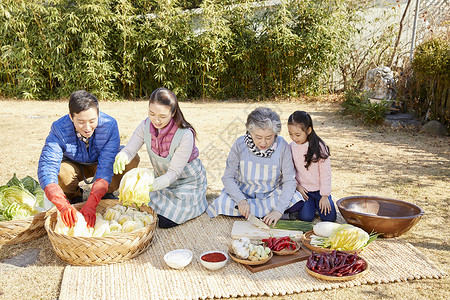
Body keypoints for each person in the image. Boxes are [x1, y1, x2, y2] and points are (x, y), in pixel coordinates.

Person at [38, 90, 139, 228]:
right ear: (71, 117)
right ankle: (73, 195)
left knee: (130, 159)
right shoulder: (59, 128)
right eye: (80, 122)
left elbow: (107, 163)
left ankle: (105, 194)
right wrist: (61, 204)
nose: (87, 128)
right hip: (75, 166)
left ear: (98, 114)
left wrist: (92, 202)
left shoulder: (109, 125)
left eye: (92, 121)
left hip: (100, 164)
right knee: (61, 172)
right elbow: (47, 165)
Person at [113, 87, 207, 228]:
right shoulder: (145, 126)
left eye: (162, 116)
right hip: (161, 181)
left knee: (164, 221)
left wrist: (153, 186)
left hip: (186, 183)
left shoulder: (185, 134)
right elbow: (130, 149)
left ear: (173, 112)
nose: (156, 120)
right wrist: (122, 156)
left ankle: (194, 204)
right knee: (137, 207)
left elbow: (174, 173)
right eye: (152, 114)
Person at [206, 107, 304, 227]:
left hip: (272, 195)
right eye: (258, 137)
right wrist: (241, 201)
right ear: (249, 132)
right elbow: (227, 177)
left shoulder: (282, 145)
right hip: (244, 194)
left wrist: (278, 210)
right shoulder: (239, 144)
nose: (263, 143)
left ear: (276, 134)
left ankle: (266, 214)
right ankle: (272, 214)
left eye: (269, 137)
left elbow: (289, 180)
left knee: (297, 200)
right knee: (222, 203)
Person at [287, 110, 336, 222]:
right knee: (306, 217)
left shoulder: (319, 147)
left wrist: (324, 196)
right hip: (304, 191)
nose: (294, 138)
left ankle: (321, 202)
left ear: (308, 130)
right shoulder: (290, 148)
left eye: (298, 134)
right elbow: (288, 171)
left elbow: (326, 174)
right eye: (290, 134)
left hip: (320, 191)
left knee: (330, 218)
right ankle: (312, 206)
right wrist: (297, 186)